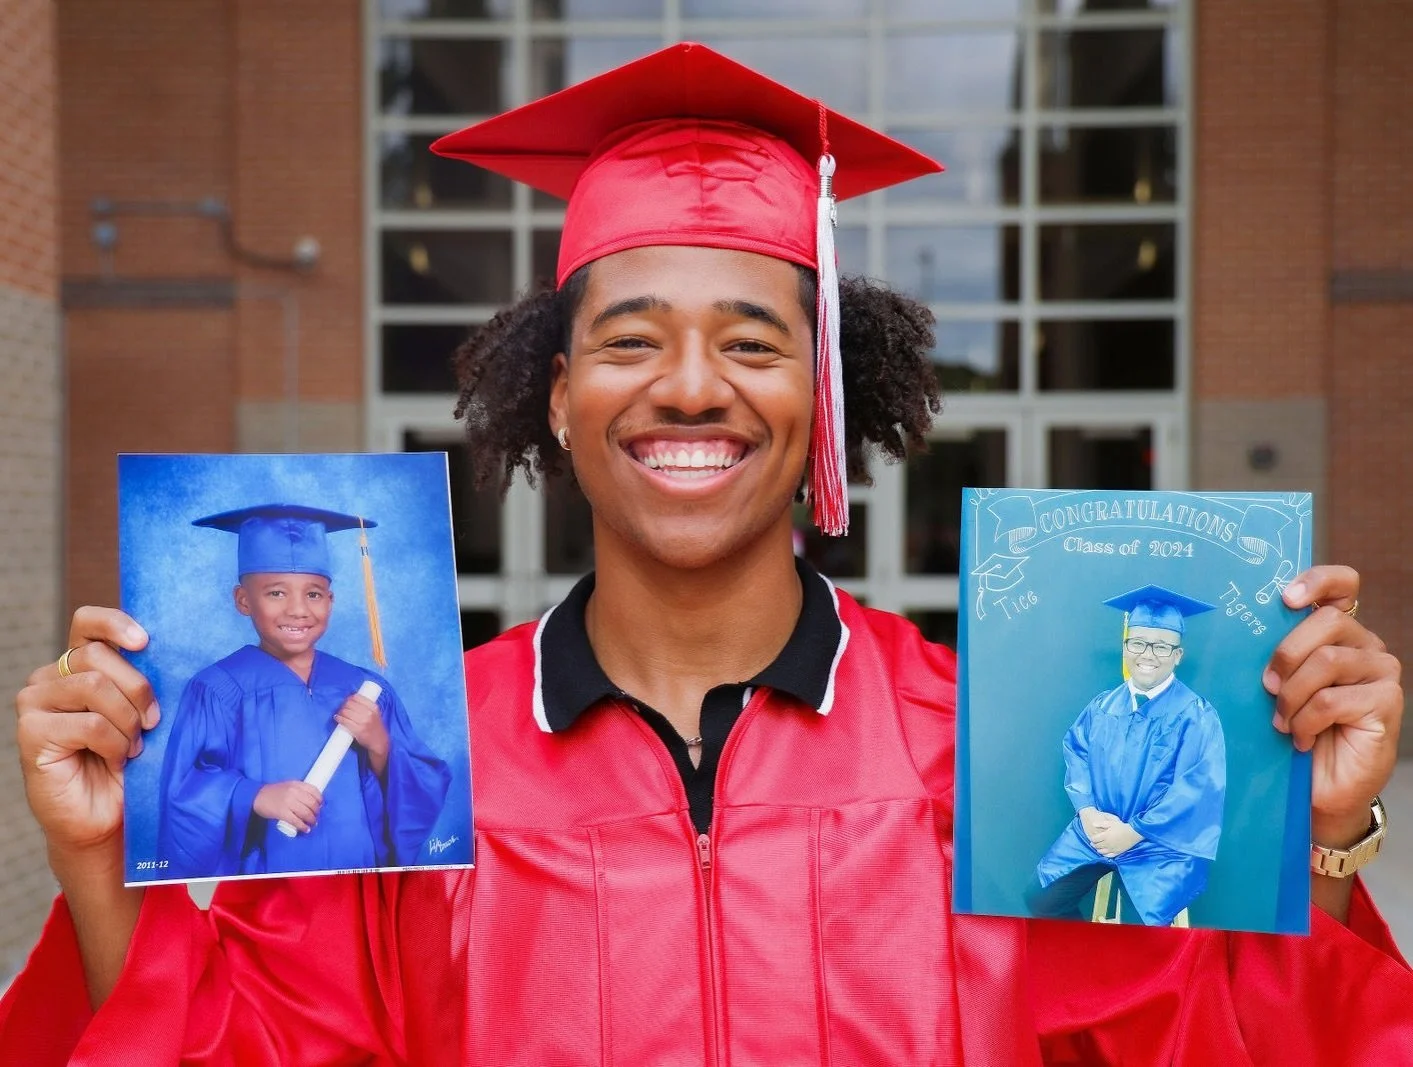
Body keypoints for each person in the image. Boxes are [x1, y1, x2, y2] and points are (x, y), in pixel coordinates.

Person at [4, 43, 1411, 1066]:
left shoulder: (981, 743)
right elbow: (248, 1043)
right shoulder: (429, 755)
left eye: (750, 341)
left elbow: (1197, 1036)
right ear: (559, 396)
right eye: (630, 339)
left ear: (823, 398)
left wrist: (1321, 834)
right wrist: (96, 856)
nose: (689, 387)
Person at [156, 505, 452, 878]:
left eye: (313, 594)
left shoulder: (364, 690)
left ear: (331, 601)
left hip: (356, 885)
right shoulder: (217, 690)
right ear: (243, 600)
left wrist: (380, 746)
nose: (298, 610)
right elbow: (183, 790)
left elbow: (423, 793)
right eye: (276, 593)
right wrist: (254, 795)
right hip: (265, 895)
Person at [1028, 585, 1226, 927]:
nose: (1148, 654)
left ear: (1178, 655)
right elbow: (1077, 751)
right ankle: (1088, 957)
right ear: (1125, 647)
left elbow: (1195, 788)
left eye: (1161, 646)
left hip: (1159, 845)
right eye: (1138, 643)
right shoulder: (1103, 706)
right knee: (1040, 898)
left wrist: (1133, 832)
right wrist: (1087, 812)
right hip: (1096, 833)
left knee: (1142, 929)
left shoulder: (1195, 715)